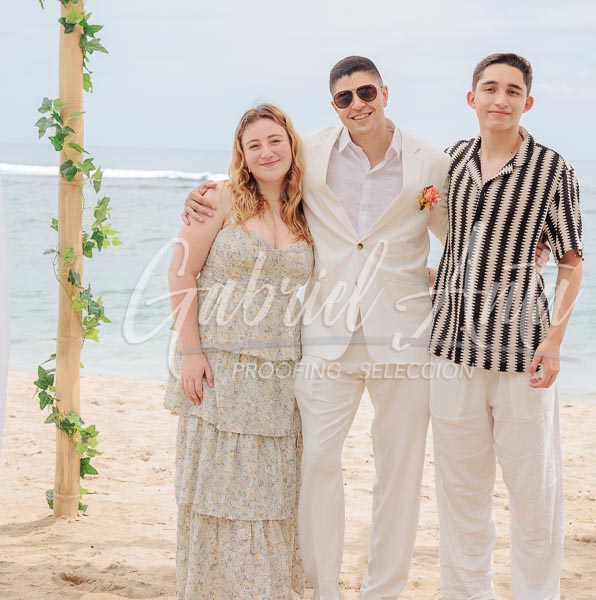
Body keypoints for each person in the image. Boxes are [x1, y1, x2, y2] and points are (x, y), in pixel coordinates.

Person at [184, 56, 451, 599]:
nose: (358, 104)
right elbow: (260, 169)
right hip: (326, 336)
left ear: (385, 92)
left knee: (398, 472)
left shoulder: (432, 162)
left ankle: (382, 590)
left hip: (403, 335)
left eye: (366, 92)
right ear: (334, 105)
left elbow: (460, 237)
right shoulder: (310, 150)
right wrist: (205, 192)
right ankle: (323, 587)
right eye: (345, 97)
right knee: (318, 461)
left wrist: (515, 255)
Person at [428, 53, 584, 600]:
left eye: (513, 91)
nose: (501, 99)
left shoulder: (552, 169)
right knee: (460, 495)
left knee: (533, 493)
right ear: (472, 97)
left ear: (527, 102)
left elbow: (570, 261)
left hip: (522, 355)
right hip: (450, 352)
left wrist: (554, 341)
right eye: (490, 88)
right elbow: (438, 233)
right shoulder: (449, 161)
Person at [164, 103, 313, 599]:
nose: (267, 152)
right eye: (254, 145)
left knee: (273, 495)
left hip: (280, 375)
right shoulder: (221, 198)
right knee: (219, 492)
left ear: (291, 144)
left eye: (275, 140)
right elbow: (181, 271)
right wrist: (191, 351)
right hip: (219, 366)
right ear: (242, 155)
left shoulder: (307, 207)